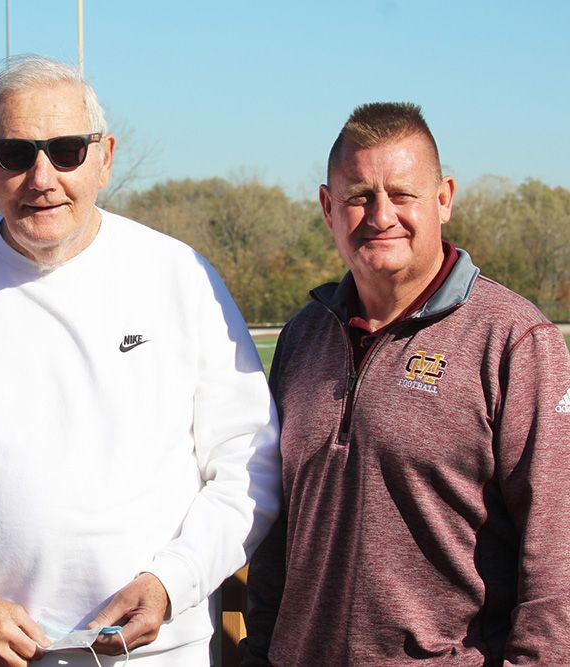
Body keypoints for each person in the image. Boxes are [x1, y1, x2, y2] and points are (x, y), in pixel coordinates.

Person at [0, 55, 281, 667]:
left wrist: (173, 582)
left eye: (66, 150)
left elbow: (248, 465)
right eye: (17, 153)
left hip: (154, 655)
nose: (42, 175)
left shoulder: (181, 278)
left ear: (105, 156)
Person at [244, 102, 570, 664]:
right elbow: (278, 528)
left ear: (443, 197)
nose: (380, 215)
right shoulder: (303, 337)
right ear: (328, 207)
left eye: (402, 194)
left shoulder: (513, 339)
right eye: (358, 196)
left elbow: (556, 546)